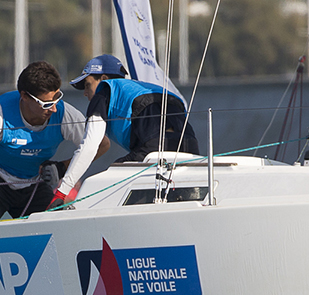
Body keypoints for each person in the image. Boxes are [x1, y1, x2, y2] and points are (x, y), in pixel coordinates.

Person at [49, 54, 198, 206]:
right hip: (190, 146)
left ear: (104, 79)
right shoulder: (143, 89)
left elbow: (90, 146)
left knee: (111, 181)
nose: (85, 93)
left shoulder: (104, 91)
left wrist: (61, 192)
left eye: (87, 85)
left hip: (154, 147)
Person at [0, 61, 88, 222]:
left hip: (34, 181)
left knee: (54, 223)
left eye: (57, 98)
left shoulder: (66, 115)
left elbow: (100, 145)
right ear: (24, 96)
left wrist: (62, 168)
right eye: (46, 104)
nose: (53, 108)